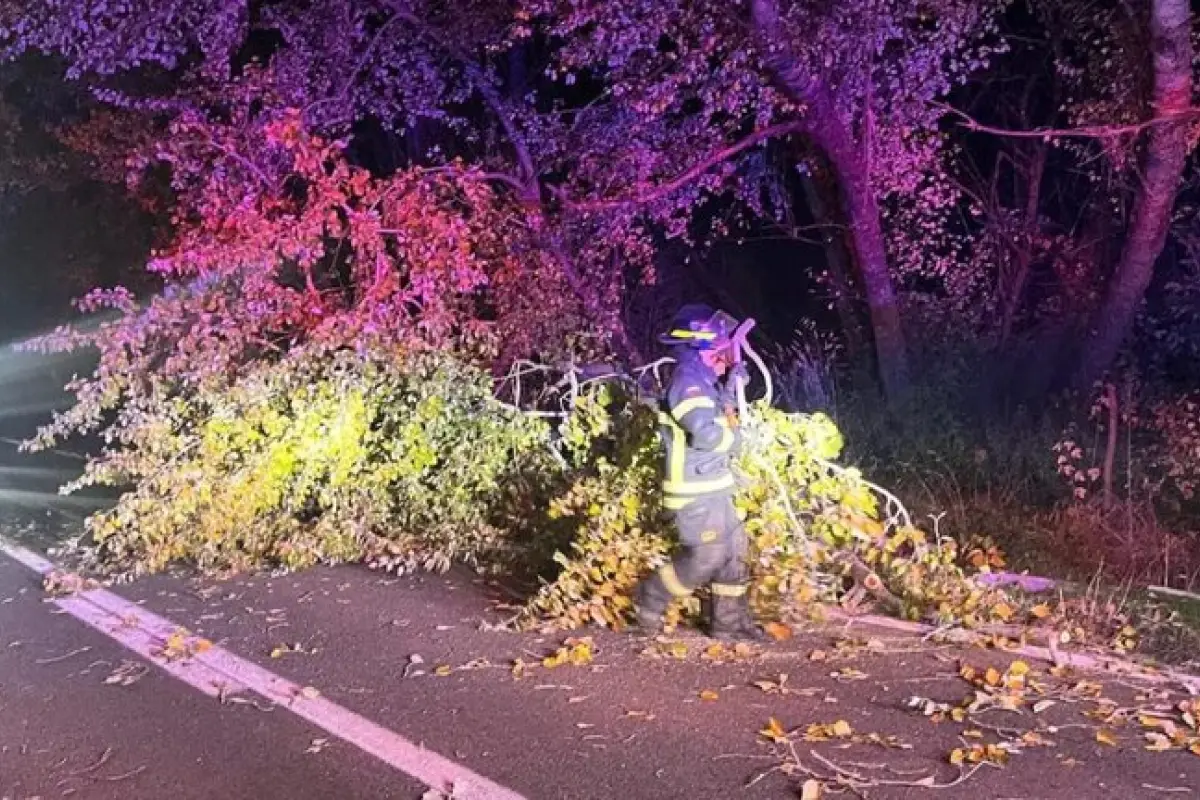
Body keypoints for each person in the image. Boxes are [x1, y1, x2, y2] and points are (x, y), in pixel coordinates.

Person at [632, 304, 764, 642]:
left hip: (715, 485)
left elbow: (720, 412)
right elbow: (706, 433)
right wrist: (740, 440)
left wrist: (732, 387)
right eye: (720, 345)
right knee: (707, 556)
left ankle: (728, 624)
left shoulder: (705, 381)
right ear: (701, 346)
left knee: (734, 552)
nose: (725, 352)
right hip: (692, 489)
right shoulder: (687, 382)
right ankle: (650, 598)